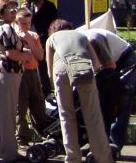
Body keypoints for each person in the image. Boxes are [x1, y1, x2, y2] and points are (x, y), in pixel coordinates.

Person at [46, 20, 112, 163]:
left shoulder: (51, 39)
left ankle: (73, 158)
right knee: (93, 116)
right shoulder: (81, 36)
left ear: (52, 30)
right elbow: (96, 64)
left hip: (61, 68)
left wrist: (54, 87)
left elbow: (49, 70)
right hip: (84, 68)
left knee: (66, 115)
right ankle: (103, 157)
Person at [0, 0, 31, 161]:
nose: (14, 12)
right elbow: (11, 53)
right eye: (10, 9)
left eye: (15, 9)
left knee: (2, 112)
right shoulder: (6, 28)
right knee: (8, 113)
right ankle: (10, 153)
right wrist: (26, 55)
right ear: (1, 11)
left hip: (0, 71)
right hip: (7, 72)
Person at [82, 28, 136, 151]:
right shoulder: (79, 42)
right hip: (110, 62)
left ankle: (114, 143)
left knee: (121, 100)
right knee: (103, 103)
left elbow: (110, 65)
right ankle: (101, 142)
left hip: (124, 61)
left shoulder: (93, 40)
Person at [13, 8, 48, 149]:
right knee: (20, 106)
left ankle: (44, 133)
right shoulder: (13, 36)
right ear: (17, 22)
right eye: (23, 23)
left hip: (33, 72)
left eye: (28, 23)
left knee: (38, 103)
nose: (26, 26)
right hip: (20, 73)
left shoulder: (33, 36)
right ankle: (22, 138)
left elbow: (40, 56)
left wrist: (29, 39)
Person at [21, 0, 57, 97]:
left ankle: (47, 91)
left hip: (45, 41)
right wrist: (24, 11)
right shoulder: (29, 7)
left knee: (44, 66)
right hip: (31, 42)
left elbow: (54, 25)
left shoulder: (50, 7)